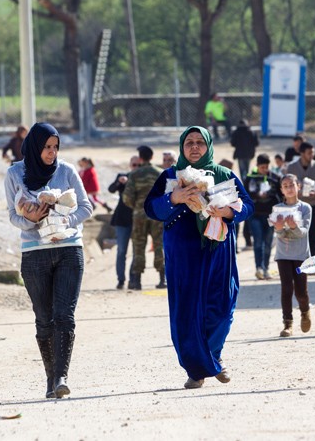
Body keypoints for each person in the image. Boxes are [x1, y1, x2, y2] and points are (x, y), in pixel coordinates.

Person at [144, 126, 253, 389]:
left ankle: (211, 358)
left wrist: (228, 212)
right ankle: (198, 369)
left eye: (200, 143)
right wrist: (174, 198)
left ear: (209, 146)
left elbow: (247, 206)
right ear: (182, 147)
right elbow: (151, 208)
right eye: (189, 143)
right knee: (187, 309)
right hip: (182, 252)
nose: (194, 147)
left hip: (218, 249)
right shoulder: (170, 175)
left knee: (221, 306)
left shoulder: (224, 175)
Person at [4, 122, 93, 398]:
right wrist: (31, 220)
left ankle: (61, 376)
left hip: (69, 249)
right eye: (46, 147)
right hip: (34, 254)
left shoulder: (66, 171)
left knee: (64, 315)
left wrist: (65, 219)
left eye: (55, 147)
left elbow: (86, 206)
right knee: (44, 319)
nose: (51, 153)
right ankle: (51, 377)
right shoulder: (15, 173)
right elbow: (12, 215)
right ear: (34, 146)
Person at [270, 173, 312, 337]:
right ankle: (288, 323)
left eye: (291, 185)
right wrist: (280, 228)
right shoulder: (277, 208)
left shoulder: (305, 208)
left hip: (301, 255)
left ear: (298, 186)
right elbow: (278, 234)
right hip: (283, 254)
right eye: (285, 185)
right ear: (281, 189)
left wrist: (293, 226)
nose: (289, 188)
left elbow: (304, 232)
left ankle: (305, 312)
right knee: (286, 289)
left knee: (301, 291)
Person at [123, 146, 165, 289]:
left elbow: (127, 197)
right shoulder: (161, 173)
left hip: (139, 215)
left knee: (138, 246)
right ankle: (162, 278)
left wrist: (137, 207)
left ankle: (136, 280)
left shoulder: (134, 175)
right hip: (157, 214)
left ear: (140, 158)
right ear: (152, 157)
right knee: (159, 245)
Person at [244, 154, 281, 280]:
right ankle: (258, 268)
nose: (264, 169)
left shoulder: (275, 178)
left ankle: (266, 268)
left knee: (268, 243)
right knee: (258, 242)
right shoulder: (250, 179)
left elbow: (280, 195)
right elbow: (245, 195)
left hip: (270, 215)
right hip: (254, 215)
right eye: (262, 167)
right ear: (257, 166)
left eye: (266, 167)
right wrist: (257, 195)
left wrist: (269, 194)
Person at [286, 142, 315, 255]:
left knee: (314, 235)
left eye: (313, 153)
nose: (311, 155)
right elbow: (286, 185)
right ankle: (298, 261)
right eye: (309, 153)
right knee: (296, 234)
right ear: (301, 153)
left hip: (314, 205)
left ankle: (312, 262)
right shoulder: (292, 167)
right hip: (297, 206)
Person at [108, 156, 139, 289]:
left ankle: (133, 278)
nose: (135, 167)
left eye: (138, 165)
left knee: (137, 251)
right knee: (121, 251)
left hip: (137, 219)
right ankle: (121, 280)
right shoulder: (123, 176)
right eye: (134, 165)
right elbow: (111, 189)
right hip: (122, 219)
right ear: (130, 165)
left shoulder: (142, 179)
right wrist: (120, 182)